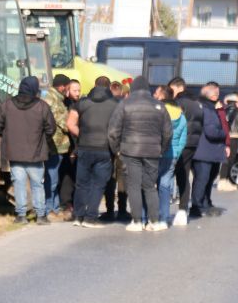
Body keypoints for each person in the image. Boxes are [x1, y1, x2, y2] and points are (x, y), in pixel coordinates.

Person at [107, 76, 172, 232]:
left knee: (134, 186)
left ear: (133, 88)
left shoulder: (124, 104)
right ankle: (154, 221)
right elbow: (168, 132)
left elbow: (113, 131)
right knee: (150, 186)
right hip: (153, 151)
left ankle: (137, 222)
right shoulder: (160, 106)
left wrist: (117, 149)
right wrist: (161, 149)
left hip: (130, 151)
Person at [0, 75, 55, 225]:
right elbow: (51, 128)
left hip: (14, 153)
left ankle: (21, 215)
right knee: (37, 185)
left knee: (18, 184)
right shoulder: (42, 106)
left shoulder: (7, 105)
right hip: (36, 154)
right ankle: (41, 216)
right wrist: (41, 138)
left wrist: (7, 136)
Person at [66, 75, 118, 228]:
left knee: (81, 184)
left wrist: (81, 134)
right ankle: (91, 218)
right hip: (105, 149)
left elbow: (70, 123)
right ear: (109, 87)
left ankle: (78, 216)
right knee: (98, 184)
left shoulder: (82, 103)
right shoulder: (115, 104)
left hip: (84, 148)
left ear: (95, 85)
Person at [168, 76, 204, 226]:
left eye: (172, 89)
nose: (171, 92)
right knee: (184, 174)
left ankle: (175, 209)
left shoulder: (179, 103)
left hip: (180, 143)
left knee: (173, 174)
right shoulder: (197, 103)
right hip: (194, 143)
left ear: (179, 87)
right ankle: (183, 209)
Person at [191, 82, 227, 217]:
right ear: (213, 95)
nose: (218, 96)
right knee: (203, 179)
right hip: (205, 152)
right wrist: (224, 132)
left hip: (206, 152)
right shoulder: (208, 109)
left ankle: (204, 204)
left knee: (205, 179)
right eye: (217, 93)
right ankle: (197, 207)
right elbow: (212, 132)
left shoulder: (204, 107)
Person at [153, 86, 187, 226]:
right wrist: (177, 153)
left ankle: (148, 215)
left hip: (155, 152)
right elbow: (183, 139)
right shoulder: (181, 115)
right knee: (165, 185)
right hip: (172, 154)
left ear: (162, 96)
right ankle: (164, 216)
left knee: (149, 184)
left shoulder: (158, 111)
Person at [43, 74, 71, 218]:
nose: (68, 90)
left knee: (54, 178)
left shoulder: (57, 99)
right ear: (62, 86)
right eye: (67, 87)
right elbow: (65, 124)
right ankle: (49, 210)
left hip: (59, 145)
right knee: (51, 179)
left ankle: (55, 207)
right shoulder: (52, 100)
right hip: (54, 145)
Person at [103, 81, 129, 220]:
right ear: (121, 91)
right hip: (124, 147)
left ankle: (109, 210)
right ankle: (123, 210)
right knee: (123, 179)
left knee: (110, 179)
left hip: (109, 146)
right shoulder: (126, 106)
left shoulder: (106, 105)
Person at [57, 78, 83, 219]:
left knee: (74, 176)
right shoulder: (65, 105)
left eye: (79, 90)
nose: (77, 93)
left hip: (77, 144)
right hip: (68, 145)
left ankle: (72, 202)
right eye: (75, 90)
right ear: (68, 91)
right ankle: (66, 203)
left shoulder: (80, 104)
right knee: (66, 175)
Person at [218, 93, 238, 189]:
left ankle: (226, 180)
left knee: (231, 159)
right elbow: (225, 123)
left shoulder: (237, 111)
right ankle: (222, 181)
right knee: (228, 159)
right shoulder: (232, 109)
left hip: (235, 137)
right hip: (231, 137)